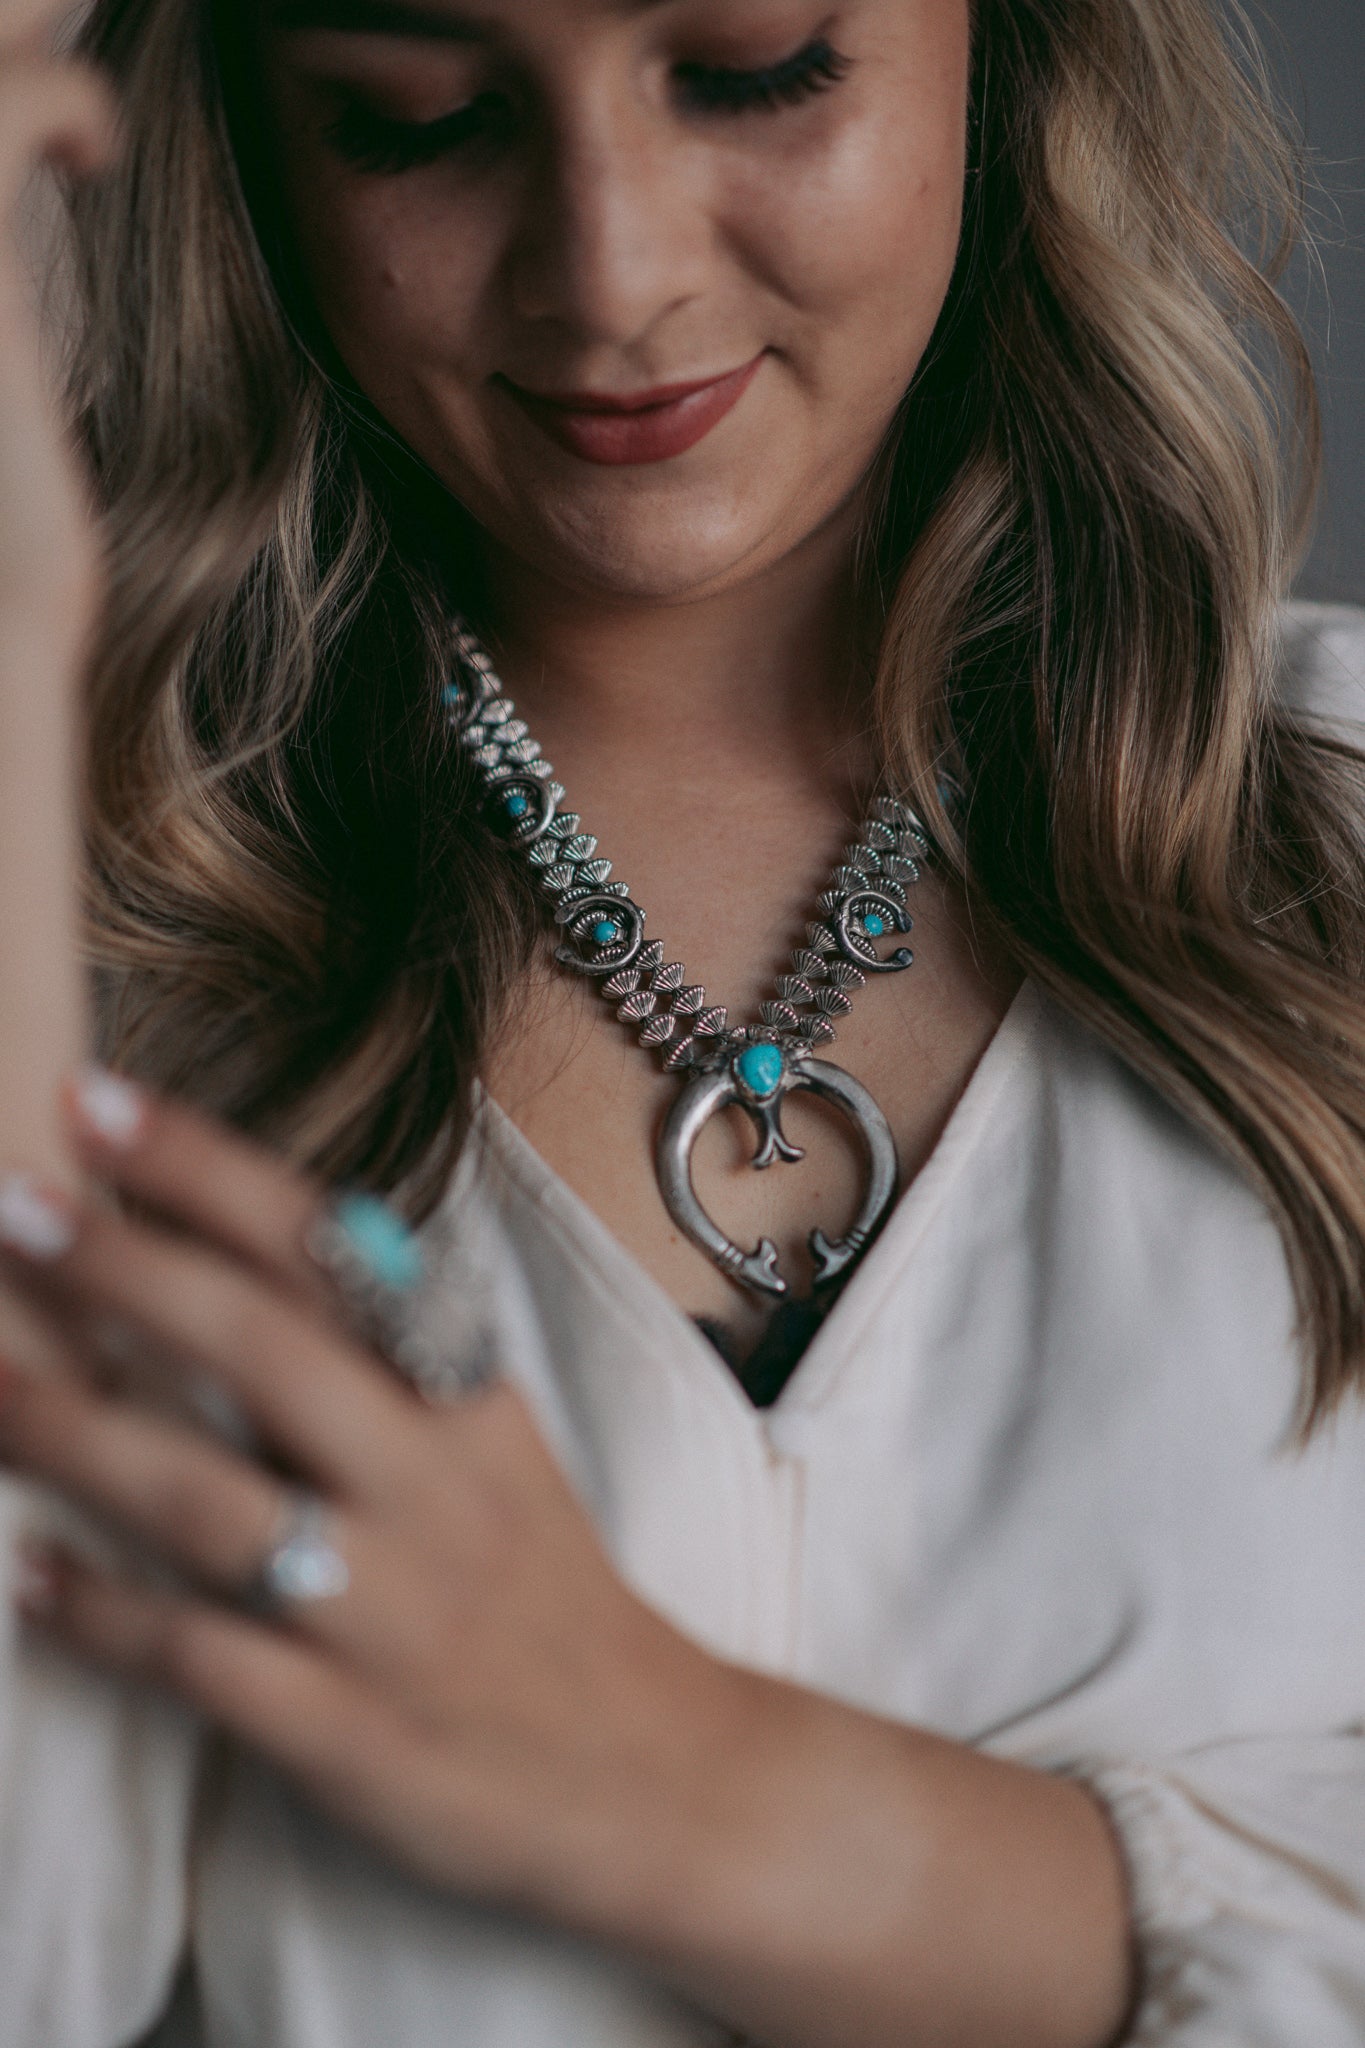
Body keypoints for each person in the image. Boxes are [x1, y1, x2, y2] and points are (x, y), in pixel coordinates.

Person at [0, 0, 1363, 2041]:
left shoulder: (1336, 824)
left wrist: (674, 1786)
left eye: (754, 69)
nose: (611, 269)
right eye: (416, 121)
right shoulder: (79, 943)